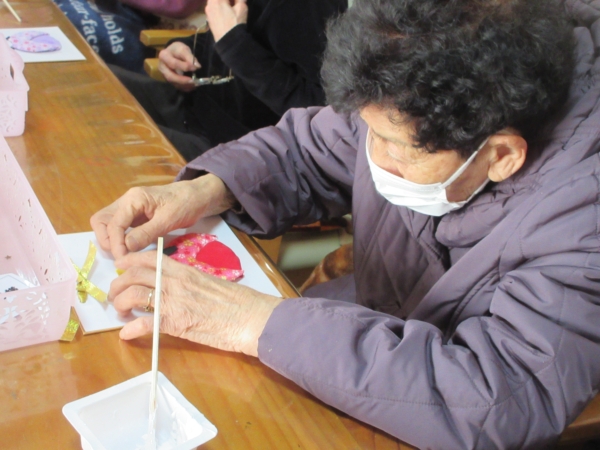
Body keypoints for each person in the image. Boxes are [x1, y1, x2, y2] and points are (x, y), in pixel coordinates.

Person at [90, 0, 600, 447]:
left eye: (395, 148)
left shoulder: (583, 218)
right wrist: (207, 188)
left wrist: (252, 322)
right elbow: (312, 146)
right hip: (357, 332)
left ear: (501, 156)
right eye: (369, 131)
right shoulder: (416, 96)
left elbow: (501, 395)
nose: (372, 156)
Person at [111, 0, 348, 161]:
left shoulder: (311, 10)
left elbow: (324, 114)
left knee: (113, 139)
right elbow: (233, 37)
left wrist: (233, 44)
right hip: (194, 106)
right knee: (99, 95)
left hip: (238, 150)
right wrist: (184, 48)